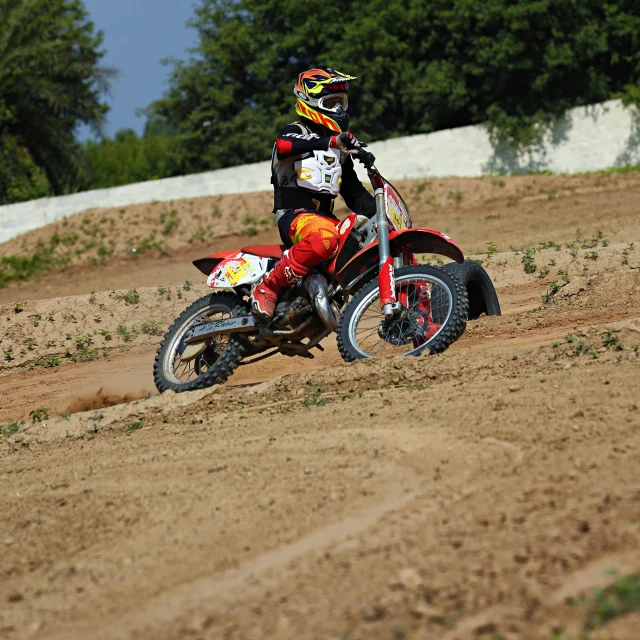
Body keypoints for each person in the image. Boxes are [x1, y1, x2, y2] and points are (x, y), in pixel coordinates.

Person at [250, 66, 376, 320]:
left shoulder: (339, 149)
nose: (340, 111)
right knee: (324, 238)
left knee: (368, 241)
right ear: (311, 102)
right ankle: (268, 287)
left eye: (342, 103)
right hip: (295, 217)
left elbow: (355, 196)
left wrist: (384, 218)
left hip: (325, 220)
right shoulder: (295, 132)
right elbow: (284, 146)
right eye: (332, 103)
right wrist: (331, 141)